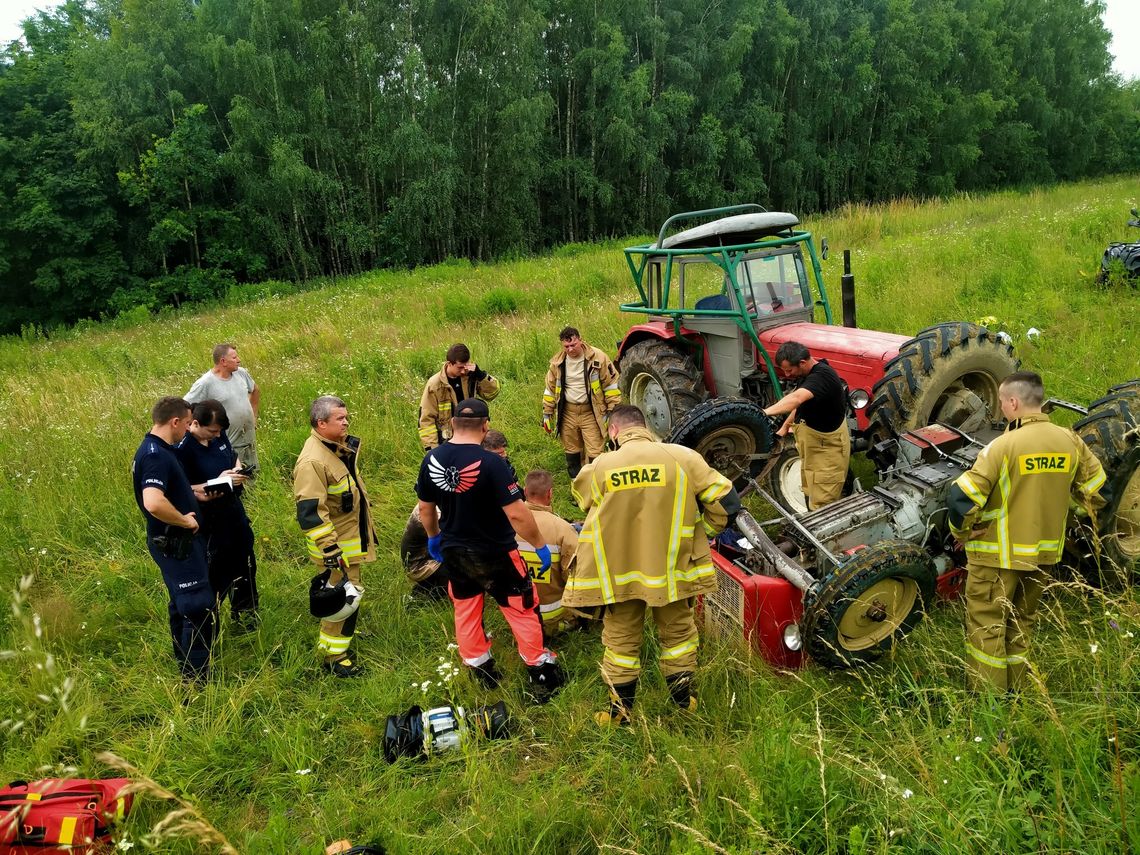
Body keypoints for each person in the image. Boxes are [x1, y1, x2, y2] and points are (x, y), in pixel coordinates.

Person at [562, 404, 740, 725]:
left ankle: (620, 714)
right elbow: (728, 502)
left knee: (620, 644)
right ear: (646, 427)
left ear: (613, 432)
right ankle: (684, 705)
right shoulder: (683, 458)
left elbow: (582, 498)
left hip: (621, 576)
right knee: (679, 637)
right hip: (673, 572)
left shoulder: (601, 465)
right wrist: (704, 532)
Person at [948, 371, 1108, 693]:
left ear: (1013, 402)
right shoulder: (1070, 440)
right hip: (1044, 556)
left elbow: (962, 498)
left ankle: (989, 703)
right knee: (1021, 622)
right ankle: (1018, 690)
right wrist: (1065, 511)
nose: (1003, 411)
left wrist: (963, 532)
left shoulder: (1002, 446)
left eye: (1005, 405)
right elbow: (1096, 492)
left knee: (987, 627)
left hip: (997, 558)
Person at [415, 398, 566, 701]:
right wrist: (539, 545)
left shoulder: (432, 460)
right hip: (496, 552)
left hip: (455, 551)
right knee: (522, 608)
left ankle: (481, 669)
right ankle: (540, 669)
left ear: (452, 424)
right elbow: (518, 514)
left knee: (466, 609)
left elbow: (425, 508)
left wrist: (434, 538)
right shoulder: (492, 463)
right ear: (485, 426)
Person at [132, 396, 214, 683]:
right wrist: (185, 519)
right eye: (188, 423)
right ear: (175, 421)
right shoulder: (156, 455)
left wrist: (194, 492)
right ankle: (196, 679)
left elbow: (166, 491)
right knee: (197, 605)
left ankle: (185, 661)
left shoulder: (154, 449)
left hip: (172, 542)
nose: (189, 429)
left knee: (181, 603)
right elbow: (153, 502)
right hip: (175, 542)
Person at [293, 396, 377, 677]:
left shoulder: (334, 449)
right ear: (321, 423)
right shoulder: (312, 462)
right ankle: (333, 656)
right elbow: (310, 513)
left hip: (347, 541)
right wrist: (330, 550)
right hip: (335, 547)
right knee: (339, 598)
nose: (346, 422)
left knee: (351, 592)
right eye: (340, 419)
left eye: (346, 417)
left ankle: (344, 635)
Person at [174, 399, 259, 632]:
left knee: (245, 564)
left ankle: (246, 618)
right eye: (212, 430)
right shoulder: (183, 449)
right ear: (194, 424)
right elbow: (181, 489)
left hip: (233, 512)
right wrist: (215, 482)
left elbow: (233, 458)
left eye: (220, 430)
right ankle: (209, 625)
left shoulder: (219, 437)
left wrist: (237, 472)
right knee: (217, 574)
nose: (217, 434)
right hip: (209, 523)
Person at [762, 341, 849, 510]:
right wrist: (785, 427)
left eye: (789, 370)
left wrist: (763, 412)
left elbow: (795, 399)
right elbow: (802, 405)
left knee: (824, 503)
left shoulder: (822, 378)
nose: (787, 375)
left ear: (802, 362)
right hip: (814, 447)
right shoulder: (809, 374)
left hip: (827, 450)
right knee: (810, 489)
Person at [542, 326, 621, 478]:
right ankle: (577, 489)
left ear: (580, 340)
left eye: (573, 345)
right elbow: (550, 390)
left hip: (591, 413)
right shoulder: (557, 363)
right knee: (572, 454)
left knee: (595, 455)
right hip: (568, 414)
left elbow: (611, 386)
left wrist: (613, 411)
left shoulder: (598, 358)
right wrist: (547, 413)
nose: (570, 349)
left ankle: (594, 490)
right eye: (566, 346)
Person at [515, 469, 580, 633]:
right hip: (552, 617)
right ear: (550, 493)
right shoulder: (562, 529)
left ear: (525, 492)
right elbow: (576, 576)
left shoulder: (506, 522)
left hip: (517, 615)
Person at [186, 343, 261, 474]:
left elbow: (255, 390)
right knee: (234, 476)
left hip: (249, 438)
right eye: (234, 357)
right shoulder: (205, 383)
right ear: (223, 361)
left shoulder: (241, 373)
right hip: (228, 442)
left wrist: (254, 416)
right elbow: (185, 406)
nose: (239, 360)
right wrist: (195, 430)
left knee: (252, 473)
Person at [418, 343, 500, 451]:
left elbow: (492, 393)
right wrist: (432, 450)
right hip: (448, 440)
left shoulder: (470, 376)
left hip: (473, 434)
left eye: (465, 366)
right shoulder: (434, 385)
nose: (463, 371)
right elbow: (426, 420)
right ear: (449, 364)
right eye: (460, 367)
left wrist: (481, 375)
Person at [399, 503, 450, 601]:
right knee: (463, 569)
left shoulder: (431, 501)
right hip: (420, 565)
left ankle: (423, 589)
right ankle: (425, 597)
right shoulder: (433, 513)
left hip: (426, 557)